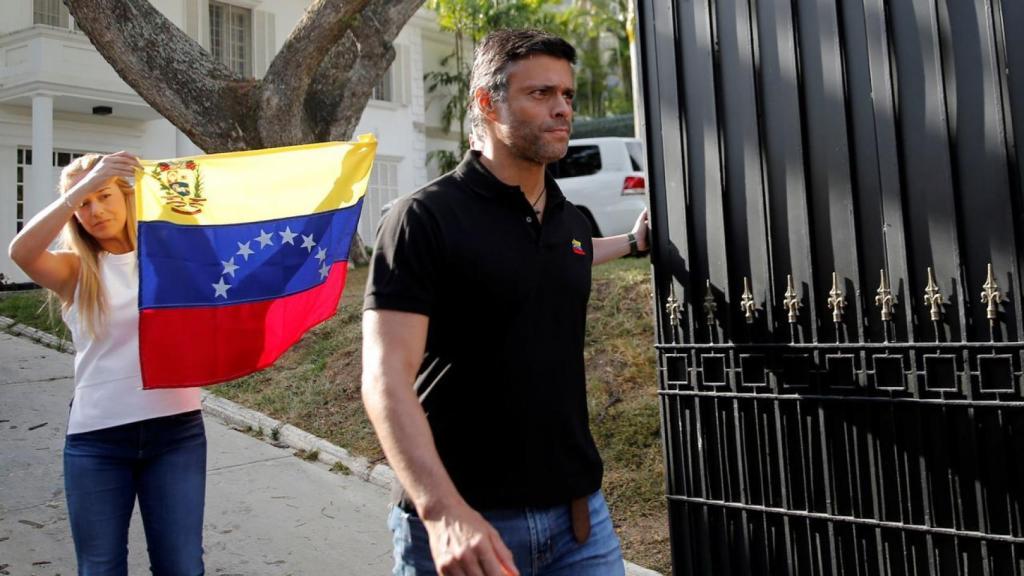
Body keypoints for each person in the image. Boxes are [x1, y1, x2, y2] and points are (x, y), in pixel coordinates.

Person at [361, 29, 650, 576]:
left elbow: (563, 255)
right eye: (540, 94)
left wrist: (634, 243)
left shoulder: (566, 217)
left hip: (580, 523)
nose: (562, 108)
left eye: (567, 95)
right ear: (487, 103)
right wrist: (442, 511)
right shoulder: (424, 218)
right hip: (465, 530)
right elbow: (384, 379)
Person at [8, 152, 206, 575]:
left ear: (126, 195)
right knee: (100, 568)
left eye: (104, 195)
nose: (95, 210)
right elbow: (21, 252)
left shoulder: (172, 257)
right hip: (97, 442)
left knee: (183, 568)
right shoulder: (76, 271)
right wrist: (79, 187)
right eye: (83, 203)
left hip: (176, 433)